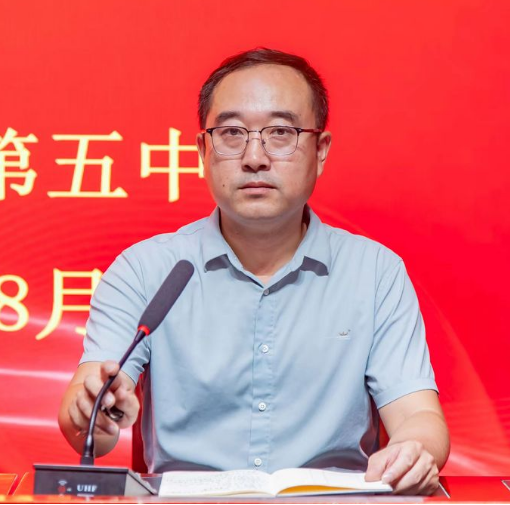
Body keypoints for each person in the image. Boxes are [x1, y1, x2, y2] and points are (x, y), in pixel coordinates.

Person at [59, 48, 450, 495]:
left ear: (320, 150)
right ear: (203, 150)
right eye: (231, 133)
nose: (254, 158)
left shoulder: (375, 272)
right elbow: (89, 413)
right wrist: (94, 410)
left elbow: (419, 416)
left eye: (281, 132)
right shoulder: (145, 270)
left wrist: (414, 451)